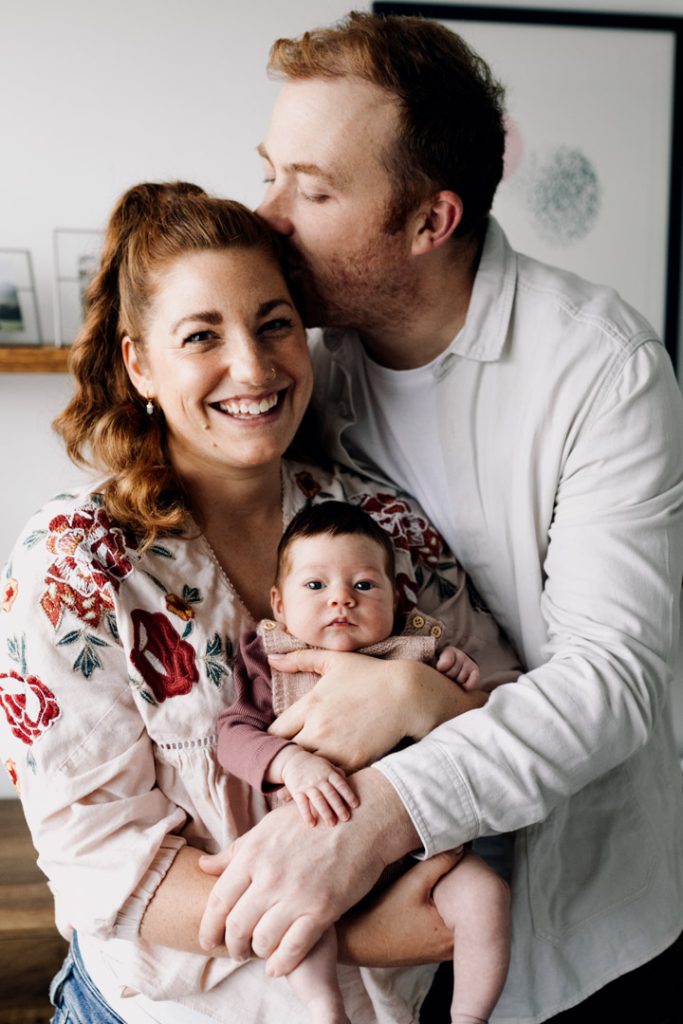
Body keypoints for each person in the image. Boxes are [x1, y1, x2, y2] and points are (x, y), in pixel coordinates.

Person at [196, 11, 683, 1023]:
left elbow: (613, 677)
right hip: (385, 938)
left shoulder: (603, 369)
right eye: (269, 170)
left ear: (429, 222)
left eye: (312, 189)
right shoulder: (299, 377)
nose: (267, 214)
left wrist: (382, 796)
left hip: (588, 919)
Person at [0, 180, 519, 1024]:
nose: (252, 366)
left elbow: (509, 712)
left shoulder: (377, 521)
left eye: (274, 323)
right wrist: (353, 930)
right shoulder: (75, 563)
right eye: (202, 335)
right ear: (140, 364)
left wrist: (421, 694)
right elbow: (101, 862)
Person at [217, 500, 517, 1024]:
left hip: (418, 853)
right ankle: (325, 1009)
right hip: (313, 854)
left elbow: (472, 729)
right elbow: (231, 736)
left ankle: (469, 1015)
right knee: (298, 922)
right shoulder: (275, 664)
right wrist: (289, 762)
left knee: (487, 896)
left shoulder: (417, 652)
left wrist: (449, 680)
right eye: (315, 586)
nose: (341, 600)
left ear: (397, 599)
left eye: (363, 585)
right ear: (279, 605)